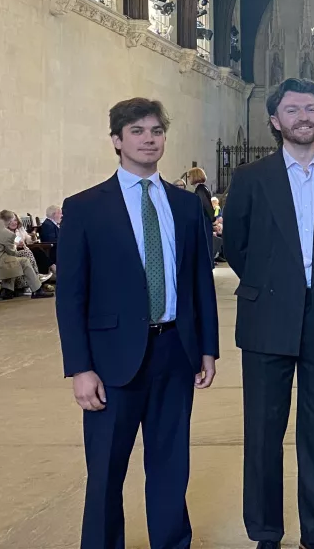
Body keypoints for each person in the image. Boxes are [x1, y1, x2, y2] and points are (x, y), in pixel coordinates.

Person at [55, 97, 219, 549]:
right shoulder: (86, 207)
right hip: (111, 360)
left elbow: (198, 281)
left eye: (156, 132)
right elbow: (70, 296)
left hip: (174, 351)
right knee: (106, 470)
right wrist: (80, 368)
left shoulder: (186, 206)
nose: (149, 140)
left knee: (170, 465)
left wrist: (207, 346)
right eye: (138, 132)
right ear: (116, 140)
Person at [223, 78, 314, 549]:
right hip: (267, 319)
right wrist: (278, 289)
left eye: (311, 108)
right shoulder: (249, 179)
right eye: (292, 109)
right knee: (263, 435)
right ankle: (266, 532)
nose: (303, 116)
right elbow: (238, 248)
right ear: (275, 120)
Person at [0, 211, 50, 300]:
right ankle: (37, 290)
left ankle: (7, 290)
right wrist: (15, 245)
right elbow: (12, 253)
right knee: (22, 261)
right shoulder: (7, 234)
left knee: (10, 261)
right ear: (10, 221)